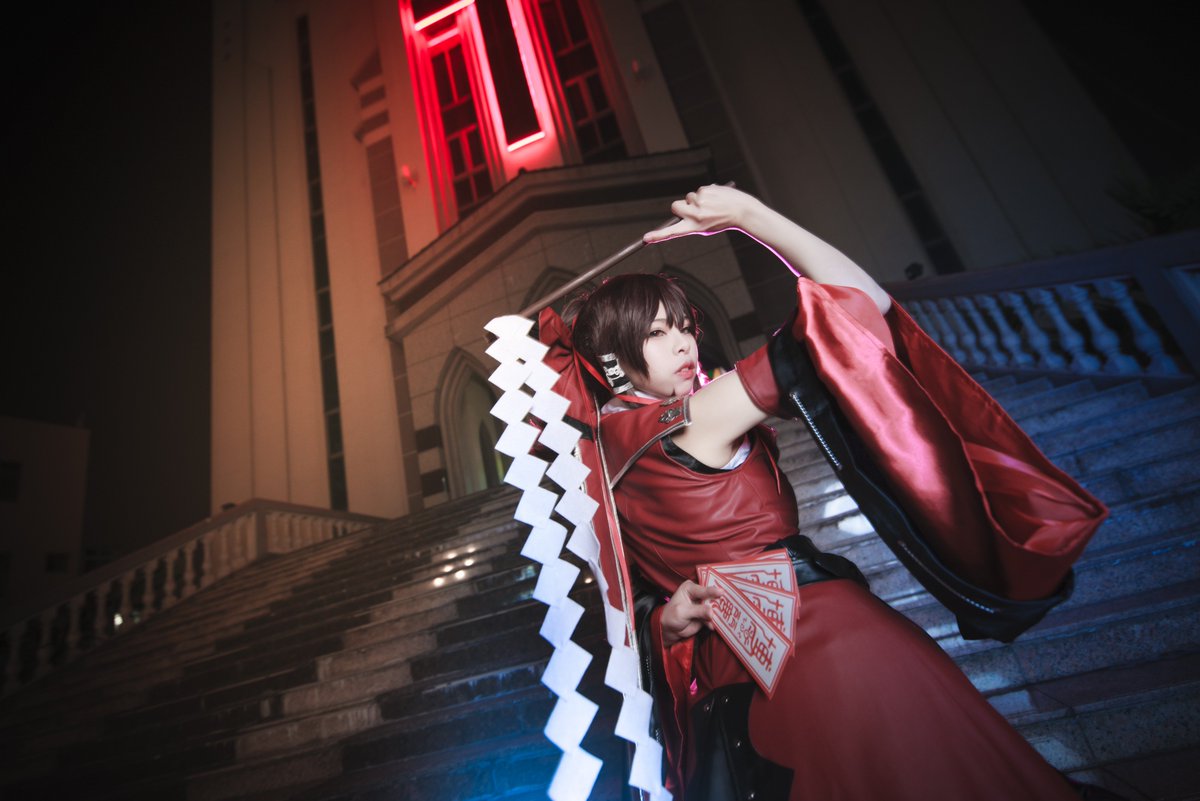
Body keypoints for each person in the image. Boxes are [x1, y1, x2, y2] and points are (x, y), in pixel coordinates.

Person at [545, 185, 1109, 800]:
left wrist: (662, 619)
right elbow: (858, 307)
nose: (685, 344)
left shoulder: (603, 449)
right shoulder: (689, 419)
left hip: (741, 667)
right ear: (613, 357)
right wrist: (750, 216)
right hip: (816, 645)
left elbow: (628, 584)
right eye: (657, 333)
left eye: (686, 327)